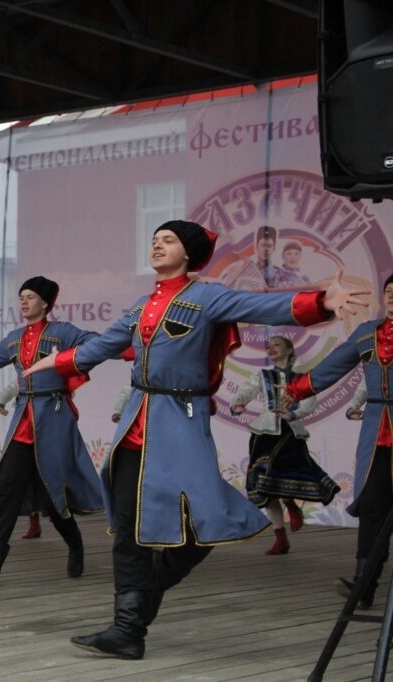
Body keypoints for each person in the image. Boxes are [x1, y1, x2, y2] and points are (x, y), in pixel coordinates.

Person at [23, 220, 365, 660]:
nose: (157, 246)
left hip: (181, 422)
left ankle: (143, 600)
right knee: (127, 530)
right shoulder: (141, 305)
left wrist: (321, 303)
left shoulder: (208, 296)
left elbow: (261, 306)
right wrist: (57, 361)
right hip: (135, 426)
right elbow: (103, 346)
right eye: (153, 241)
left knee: (203, 522)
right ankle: (127, 629)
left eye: (168, 240)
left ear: (189, 252)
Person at [0, 276, 103, 587]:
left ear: (45, 303)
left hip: (54, 420)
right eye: (21, 296)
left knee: (53, 495)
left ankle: (75, 544)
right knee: (7, 488)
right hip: (23, 423)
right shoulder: (14, 338)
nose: (24, 302)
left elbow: (96, 343)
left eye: (31, 297)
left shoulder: (63, 333)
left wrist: (62, 359)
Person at [283, 274, 393, 610]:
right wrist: (296, 390)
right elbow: (333, 366)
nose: (392, 296)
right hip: (378, 437)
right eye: (388, 291)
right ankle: (364, 585)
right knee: (373, 508)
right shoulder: (367, 334)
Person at [230, 336, 338, 554]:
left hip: (289, 430)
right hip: (265, 431)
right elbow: (246, 391)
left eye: (277, 345)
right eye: (269, 346)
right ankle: (280, 536)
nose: (271, 348)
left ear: (289, 350)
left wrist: (294, 413)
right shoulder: (262, 375)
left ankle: (289, 503)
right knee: (263, 482)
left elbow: (310, 401)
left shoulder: (301, 378)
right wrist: (239, 402)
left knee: (280, 471)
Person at [0, 381, 48, 539]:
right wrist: (0, 403)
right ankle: (33, 522)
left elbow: (67, 393)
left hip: (46, 434)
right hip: (24, 437)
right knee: (24, 480)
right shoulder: (26, 379)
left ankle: (58, 512)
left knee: (50, 477)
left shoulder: (52, 378)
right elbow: (10, 389)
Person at [221, 225, 279, 290]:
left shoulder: (280, 274)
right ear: (257, 246)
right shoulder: (242, 269)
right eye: (263, 245)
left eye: (269, 246)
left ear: (274, 248)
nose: (266, 249)